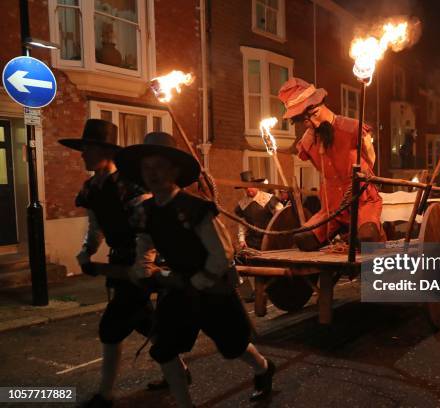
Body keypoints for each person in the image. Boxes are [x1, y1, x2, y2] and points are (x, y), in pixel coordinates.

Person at [115, 132, 275, 407]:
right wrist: (145, 269)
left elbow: (222, 253)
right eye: (147, 168)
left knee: (234, 346)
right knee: (164, 349)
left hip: (213, 288)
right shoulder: (147, 211)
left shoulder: (197, 209)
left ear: (174, 171)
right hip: (178, 290)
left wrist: (198, 281)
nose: (153, 174)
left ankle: (263, 368)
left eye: (160, 167)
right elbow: (145, 242)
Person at [59, 120, 183, 407]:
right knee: (147, 324)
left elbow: (148, 229)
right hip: (120, 264)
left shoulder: (131, 185)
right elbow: (96, 226)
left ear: (104, 151)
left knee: (111, 327)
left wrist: (142, 265)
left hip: (142, 263)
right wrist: (87, 252)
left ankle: (105, 395)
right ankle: (179, 373)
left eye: (87, 148)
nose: (82, 154)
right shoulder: (91, 187)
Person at [278, 77, 383, 251]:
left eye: (315, 114)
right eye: (306, 121)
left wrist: (363, 177)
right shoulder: (309, 142)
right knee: (304, 239)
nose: (314, 123)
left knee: (367, 237)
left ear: (323, 104)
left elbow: (370, 158)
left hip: (363, 201)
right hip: (331, 208)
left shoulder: (353, 129)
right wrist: (309, 135)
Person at [234, 171, 283, 250]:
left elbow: (282, 217)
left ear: (257, 185)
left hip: (270, 241)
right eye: (246, 187)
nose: (248, 189)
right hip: (252, 243)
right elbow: (242, 225)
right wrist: (242, 240)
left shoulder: (269, 199)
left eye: (251, 186)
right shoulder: (242, 204)